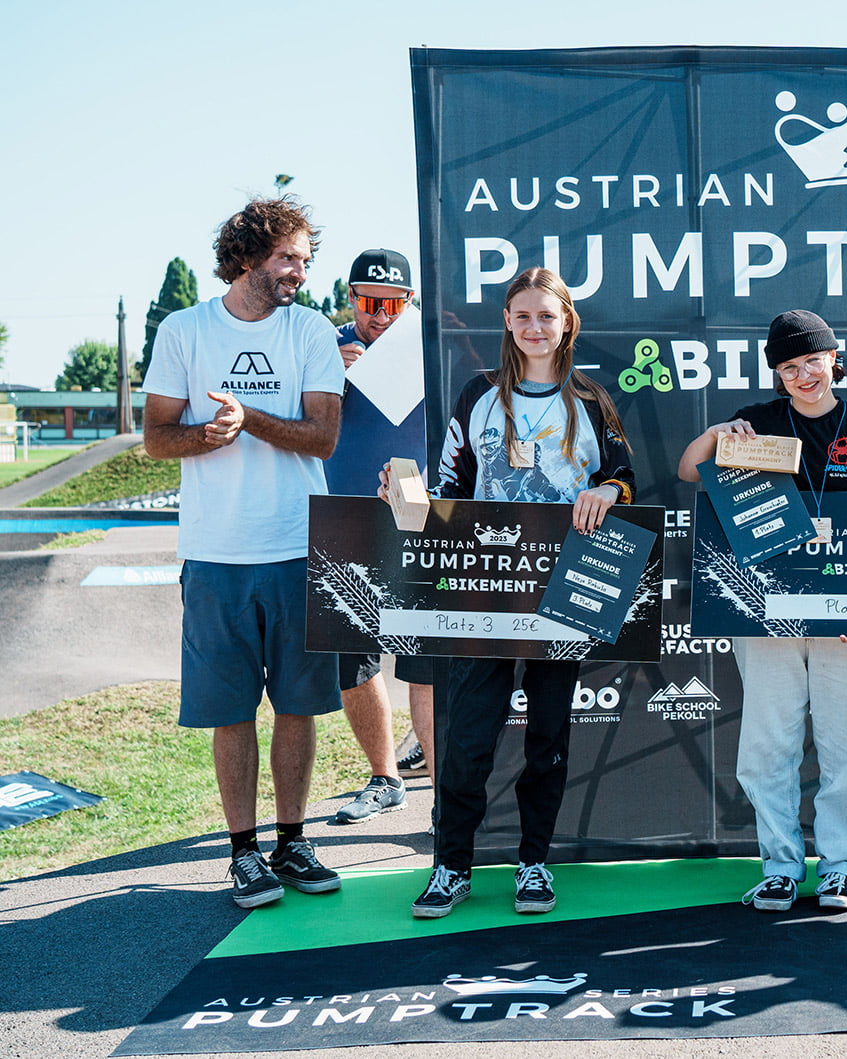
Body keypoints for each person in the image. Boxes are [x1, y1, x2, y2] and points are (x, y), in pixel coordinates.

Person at [389, 266, 634, 918]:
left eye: (546, 316)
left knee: (547, 740)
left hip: (565, 593)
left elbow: (625, 475)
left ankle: (533, 863)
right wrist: (404, 494)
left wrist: (607, 490)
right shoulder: (478, 394)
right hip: (485, 593)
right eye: (522, 315)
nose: (534, 327)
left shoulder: (591, 399)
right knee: (468, 739)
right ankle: (451, 866)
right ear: (506, 321)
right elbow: (447, 489)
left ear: (566, 322)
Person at [143, 198, 346, 909]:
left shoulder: (310, 329)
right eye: (289, 257)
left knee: (297, 706)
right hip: (214, 553)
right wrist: (207, 435)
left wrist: (247, 417)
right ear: (249, 256)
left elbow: (323, 438)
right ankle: (243, 853)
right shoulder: (184, 329)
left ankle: (292, 841)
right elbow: (155, 437)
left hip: (297, 545)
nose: (299, 272)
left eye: (305, 261)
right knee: (231, 711)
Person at [677, 309, 847, 913]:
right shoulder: (758, 422)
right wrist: (721, 432)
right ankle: (779, 865)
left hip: (846, 617)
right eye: (790, 366)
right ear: (777, 373)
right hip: (766, 608)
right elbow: (688, 469)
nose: (804, 375)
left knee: (845, 747)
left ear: (834, 359)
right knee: (767, 745)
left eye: (813, 361)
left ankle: (841, 867)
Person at [323, 248, 436, 823]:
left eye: (393, 304)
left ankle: (445, 801)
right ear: (351, 298)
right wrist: (327, 378)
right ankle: (384, 777)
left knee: (424, 661)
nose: (380, 315)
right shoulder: (324, 348)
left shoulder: (432, 348)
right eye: (370, 302)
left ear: (409, 302)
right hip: (344, 519)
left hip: (418, 516)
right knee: (354, 661)